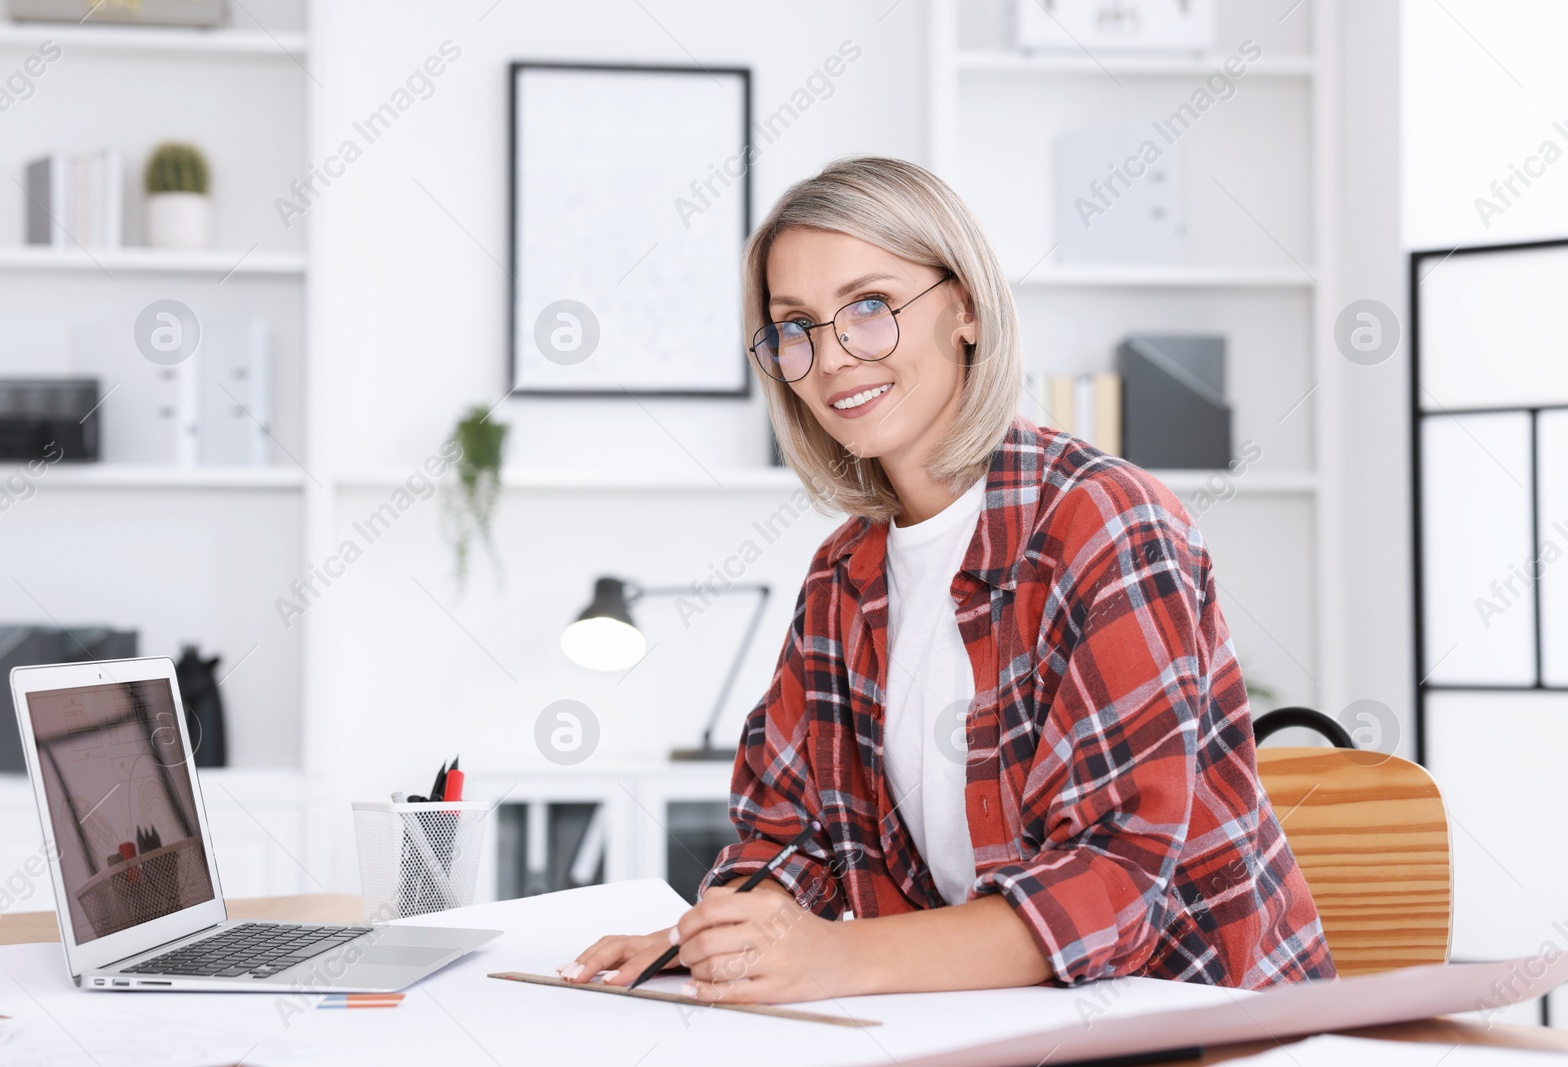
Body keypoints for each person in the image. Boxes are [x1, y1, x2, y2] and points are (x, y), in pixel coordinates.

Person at [562, 156, 1335, 1003]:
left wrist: (831, 960)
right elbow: (787, 835)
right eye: (797, 326)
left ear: (964, 306)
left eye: (869, 307)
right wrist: (709, 937)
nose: (832, 358)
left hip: (1199, 1023)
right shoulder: (844, 576)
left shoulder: (1102, 523)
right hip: (990, 1026)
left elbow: (1112, 884)